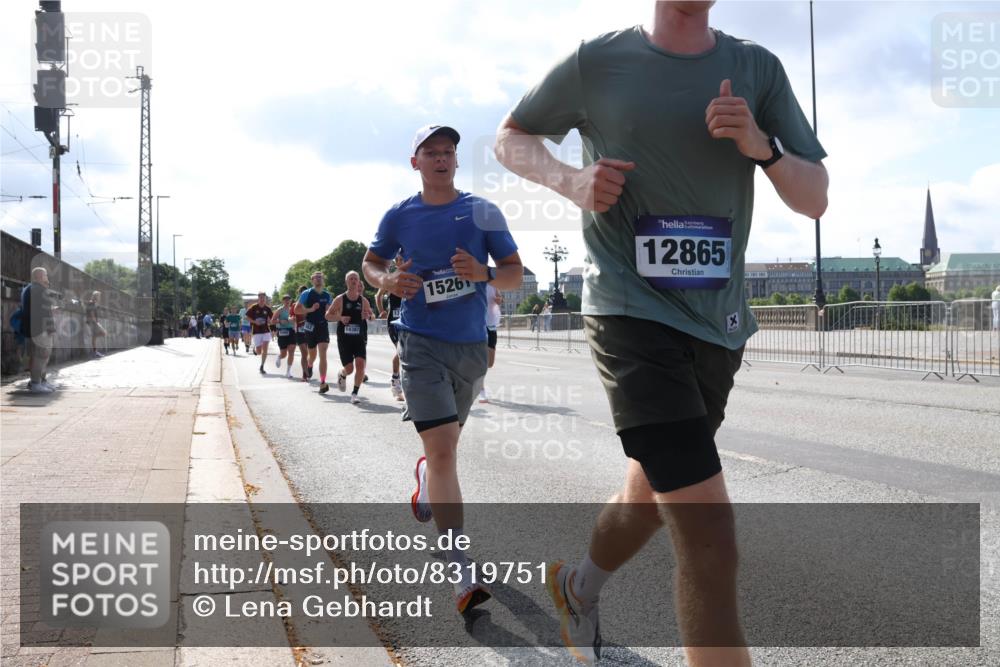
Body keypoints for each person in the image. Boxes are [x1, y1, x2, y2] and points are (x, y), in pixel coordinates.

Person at [495, 2, 829, 663]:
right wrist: (570, 180)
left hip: (717, 328)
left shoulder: (757, 68)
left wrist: (762, 147)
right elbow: (511, 136)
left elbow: (815, 197)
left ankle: (576, 588)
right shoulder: (598, 60)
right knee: (710, 535)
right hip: (629, 310)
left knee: (646, 494)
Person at [362, 123, 523, 614]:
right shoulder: (399, 214)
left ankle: (428, 477)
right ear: (415, 162)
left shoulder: (482, 211)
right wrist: (388, 281)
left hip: (469, 347)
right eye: (430, 152)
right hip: (419, 342)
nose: (440, 159)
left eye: (447, 151)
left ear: (456, 158)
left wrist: (485, 273)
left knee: (445, 450)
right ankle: (458, 566)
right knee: (444, 450)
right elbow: (371, 263)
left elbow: (515, 274)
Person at [327, 271, 374, 404]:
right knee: (349, 369)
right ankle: (342, 374)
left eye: (355, 279)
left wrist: (369, 316)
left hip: (359, 338)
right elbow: (327, 315)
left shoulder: (363, 301)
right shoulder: (340, 299)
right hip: (344, 338)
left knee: (360, 365)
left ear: (358, 282)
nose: (353, 281)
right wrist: (340, 318)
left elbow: (372, 316)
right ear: (346, 282)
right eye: (351, 279)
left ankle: (354, 394)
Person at [20, 266, 57, 393]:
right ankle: (36, 383)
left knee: (38, 356)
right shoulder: (40, 290)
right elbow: (44, 311)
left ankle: (40, 381)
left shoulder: (28, 289)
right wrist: (50, 328)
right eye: (46, 275)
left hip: (32, 328)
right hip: (40, 329)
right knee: (41, 356)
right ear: (40, 276)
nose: (47, 277)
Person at [295, 271, 334, 392]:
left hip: (322, 326)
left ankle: (323, 382)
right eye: (316, 278)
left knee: (323, 353)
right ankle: (310, 365)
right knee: (312, 355)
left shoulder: (328, 295)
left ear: (323, 280)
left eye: (320, 277)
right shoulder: (306, 293)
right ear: (312, 280)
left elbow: (332, 312)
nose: (318, 279)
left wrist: (330, 311)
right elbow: (296, 310)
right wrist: (310, 309)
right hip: (310, 327)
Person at [375, 263, 405, 401]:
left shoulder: (413, 275)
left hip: (408, 320)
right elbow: (378, 295)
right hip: (394, 321)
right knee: (400, 350)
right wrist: (381, 310)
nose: (402, 261)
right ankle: (395, 381)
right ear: (396, 262)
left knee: (409, 351)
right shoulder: (390, 278)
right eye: (399, 259)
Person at [479, 282, 503, 402]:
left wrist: (499, 299)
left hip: (491, 324)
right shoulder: (474, 281)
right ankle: (481, 389)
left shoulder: (493, 281)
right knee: (481, 360)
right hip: (478, 323)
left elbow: (499, 298)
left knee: (490, 362)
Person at [246, 293, 274, 374]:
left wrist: (271, 322)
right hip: (256, 331)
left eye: (263, 298)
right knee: (259, 352)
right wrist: (255, 322)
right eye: (261, 298)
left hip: (266, 331)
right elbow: (247, 317)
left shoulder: (267, 309)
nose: (262, 299)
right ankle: (255, 348)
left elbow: (272, 319)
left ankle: (262, 366)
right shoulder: (254, 307)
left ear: (265, 299)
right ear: (258, 298)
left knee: (265, 349)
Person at [270, 295, 297, 377]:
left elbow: (297, 319)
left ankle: (288, 372)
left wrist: (294, 320)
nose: (287, 301)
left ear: (290, 300)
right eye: (285, 300)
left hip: (291, 331)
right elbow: (272, 321)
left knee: (291, 351)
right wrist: (280, 321)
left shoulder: (293, 309)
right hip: (282, 332)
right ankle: (279, 357)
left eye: (288, 299)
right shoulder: (279, 310)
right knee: (284, 354)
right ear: (283, 301)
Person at [293, 285, 311, 381]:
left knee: (311, 354)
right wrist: (291, 318)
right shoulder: (295, 305)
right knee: (304, 353)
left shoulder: (311, 304)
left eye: (306, 292)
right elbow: (290, 315)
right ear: (300, 294)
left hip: (310, 331)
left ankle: (309, 367)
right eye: (302, 292)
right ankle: (304, 374)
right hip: (300, 332)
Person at [85, 290, 107, 358]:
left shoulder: (93, 303)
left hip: (92, 322)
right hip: (92, 322)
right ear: (95, 296)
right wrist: (96, 323)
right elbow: (92, 314)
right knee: (103, 333)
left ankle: (95, 352)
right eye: (99, 296)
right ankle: (95, 352)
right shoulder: (91, 303)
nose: (99, 297)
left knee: (95, 336)